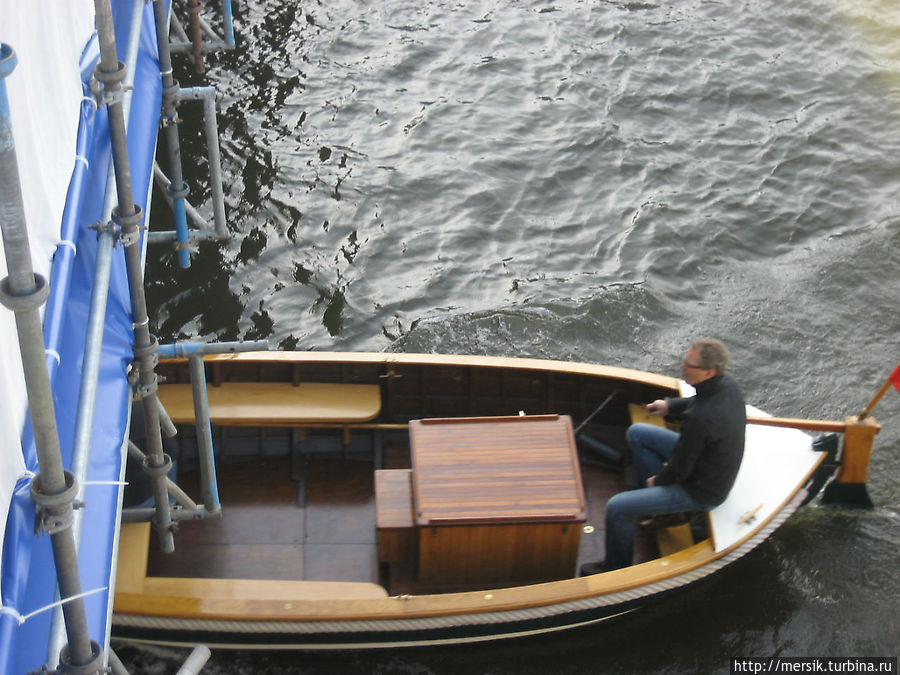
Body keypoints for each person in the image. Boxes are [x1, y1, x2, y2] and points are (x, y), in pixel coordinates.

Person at [580, 338, 746, 574]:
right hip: (705, 460)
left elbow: (681, 469)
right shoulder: (726, 385)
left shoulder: (700, 420)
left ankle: (616, 567)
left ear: (708, 372)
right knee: (637, 433)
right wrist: (669, 406)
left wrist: (658, 481)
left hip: (702, 489)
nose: (682, 367)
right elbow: (697, 400)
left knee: (617, 508)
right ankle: (663, 510)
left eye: (689, 364)